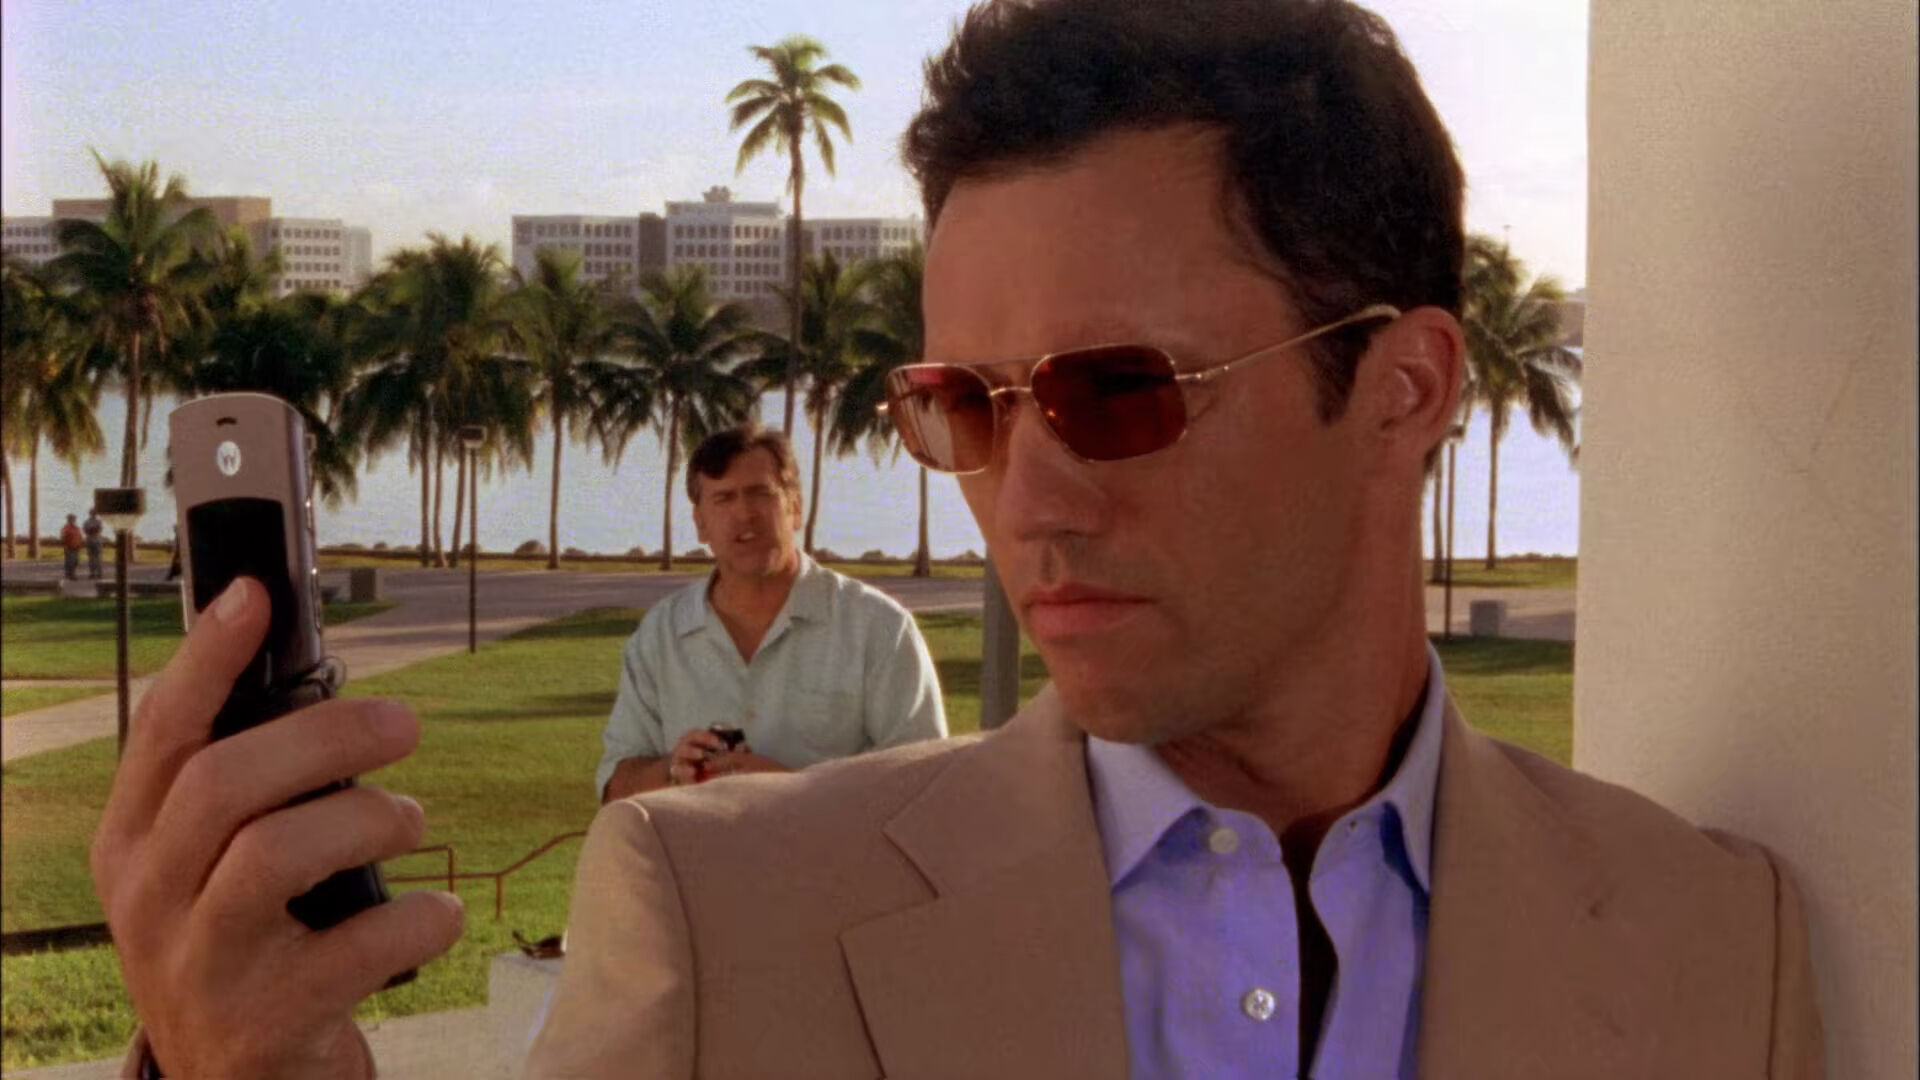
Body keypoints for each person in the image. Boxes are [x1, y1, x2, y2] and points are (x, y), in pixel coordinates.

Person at [89, 1, 1824, 1077]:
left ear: (1406, 388)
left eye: (1120, 391)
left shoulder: (1713, 941)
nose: (1028, 499)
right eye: (967, 406)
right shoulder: (723, 924)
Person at [595, 424, 946, 803]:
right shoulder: (660, 635)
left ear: (795, 508)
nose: (744, 513)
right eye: (724, 498)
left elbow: (927, 784)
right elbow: (615, 785)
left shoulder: (879, 628)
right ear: (700, 524)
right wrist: (672, 771)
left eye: (760, 493)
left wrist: (791, 789)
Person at [58, 513, 82, 580]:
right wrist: (64, 545)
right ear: (68, 520)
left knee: (76, 561)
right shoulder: (65, 528)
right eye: (71, 519)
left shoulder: (77, 528)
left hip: (76, 547)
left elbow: (80, 536)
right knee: (70, 561)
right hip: (69, 547)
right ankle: (71, 574)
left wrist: (80, 544)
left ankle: (69, 573)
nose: (72, 520)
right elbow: (63, 537)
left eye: (73, 519)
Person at [83, 510, 105, 581]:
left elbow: (99, 529)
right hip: (89, 541)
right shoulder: (86, 522)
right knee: (91, 558)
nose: (93, 514)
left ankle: (99, 573)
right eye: (92, 513)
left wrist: (92, 530)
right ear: (90, 514)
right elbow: (85, 530)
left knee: (98, 558)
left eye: (94, 513)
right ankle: (92, 573)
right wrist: (92, 530)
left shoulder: (99, 521)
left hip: (97, 541)